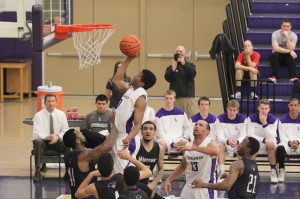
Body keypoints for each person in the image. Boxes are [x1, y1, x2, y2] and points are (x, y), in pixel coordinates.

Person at [112, 56, 156, 173]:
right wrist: (128, 59)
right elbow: (116, 80)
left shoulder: (141, 98)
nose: (135, 75)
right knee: (115, 176)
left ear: (141, 83)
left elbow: (138, 124)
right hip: (118, 135)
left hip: (126, 139)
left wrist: (128, 138)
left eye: (138, 75)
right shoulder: (130, 90)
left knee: (124, 177)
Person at [62, 110, 117, 199]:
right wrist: (115, 124)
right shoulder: (83, 156)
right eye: (78, 133)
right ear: (78, 141)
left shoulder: (70, 156)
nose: (81, 133)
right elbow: (107, 146)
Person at [164, 120, 219, 199]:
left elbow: (216, 151)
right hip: (188, 188)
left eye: (200, 125)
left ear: (206, 132)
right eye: (196, 124)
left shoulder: (210, 143)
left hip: (205, 188)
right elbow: (183, 166)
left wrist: (193, 148)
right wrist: (169, 179)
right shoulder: (188, 145)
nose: (196, 126)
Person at [191, 137, 261, 199]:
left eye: (242, 143)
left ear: (248, 149)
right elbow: (246, 181)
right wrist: (231, 176)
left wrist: (203, 184)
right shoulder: (254, 165)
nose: (239, 145)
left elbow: (226, 186)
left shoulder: (237, 164)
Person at [75, 150, 152, 199]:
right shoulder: (122, 176)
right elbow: (148, 172)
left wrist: (91, 174)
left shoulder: (93, 187)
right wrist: (129, 157)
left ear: (98, 167)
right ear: (112, 166)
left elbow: (77, 194)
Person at [32, 93, 69, 182]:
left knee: (67, 142)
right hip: (44, 142)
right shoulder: (38, 115)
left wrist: (57, 137)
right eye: (48, 101)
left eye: (53, 101)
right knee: (38, 142)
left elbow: (65, 131)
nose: (51, 103)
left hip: (57, 142)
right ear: (44, 103)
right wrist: (46, 137)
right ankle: (37, 170)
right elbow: (36, 133)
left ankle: (68, 170)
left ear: (56, 102)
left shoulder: (61, 115)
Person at [247, 99, 278, 183]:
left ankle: (273, 171)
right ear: (258, 108)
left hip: (268, 142)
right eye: (262, 108)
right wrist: (264, 140)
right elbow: (250, 135)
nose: (264, 110)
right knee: (251, 148)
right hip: (257, 142)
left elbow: (272, 136)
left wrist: (265, 123)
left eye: (266, 108)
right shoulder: (251, 118)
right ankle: (252, 173)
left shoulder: (274, 119)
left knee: (271, 145)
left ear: (269, 109)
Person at [216, 99, 247, 180]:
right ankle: (221, 172)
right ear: (227, 109)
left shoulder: (243, 119)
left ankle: (241, 174)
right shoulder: (219, 118)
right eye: (230, 110)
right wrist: (228, 141)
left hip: (237, 143)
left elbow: (243, 135)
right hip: (226, 143)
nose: (232, 112)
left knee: (243, 146)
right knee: (220, 145)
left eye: (234, 110)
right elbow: (219, 136)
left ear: (238, 110)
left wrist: (237, 141)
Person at [164, 45, 197, 118]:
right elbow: (168, 78)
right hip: (175, 98)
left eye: (181, 51)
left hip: (188, 98)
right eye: (177, 52)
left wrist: (184, 64)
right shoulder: (171, 67)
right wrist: (173, 68)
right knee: (175, 118)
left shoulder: (190, 65)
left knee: (190, 119)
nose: (179, 53)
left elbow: (192, 75)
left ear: (184, 54)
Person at [276, 97, 300, 182]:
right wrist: (290, 143)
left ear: (299, 107)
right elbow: (282, 137)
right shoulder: (282, 120)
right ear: (288, 106)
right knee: (279, 148)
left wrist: (297, 142)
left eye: (295, 105)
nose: (293, 107)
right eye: (291, 105)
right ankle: (282, 170)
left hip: (299, 143)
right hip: (287, 143)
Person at [268, 18, 298, 83]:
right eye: (284, 26)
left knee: (291, 56)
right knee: (274, 54)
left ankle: (293, 77)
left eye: (288, 26)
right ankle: (274, 77)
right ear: (281, 26)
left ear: (290, 27)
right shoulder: (275, 34)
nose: (286, 28)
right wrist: (289, 51)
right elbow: (276, 48)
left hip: (287, 57)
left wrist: (287, 37)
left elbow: (291, 48)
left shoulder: (293, 36)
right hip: (277, 56)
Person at [136, 121, 164, 189]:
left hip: (146, 183)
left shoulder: (159, 148)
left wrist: (153, 183)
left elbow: (161, 169)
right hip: (133, 183)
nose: (148, 131)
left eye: (151, 129)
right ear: (141, 132)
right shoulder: (136, 145)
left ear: (155, 132)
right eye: (145, 129)